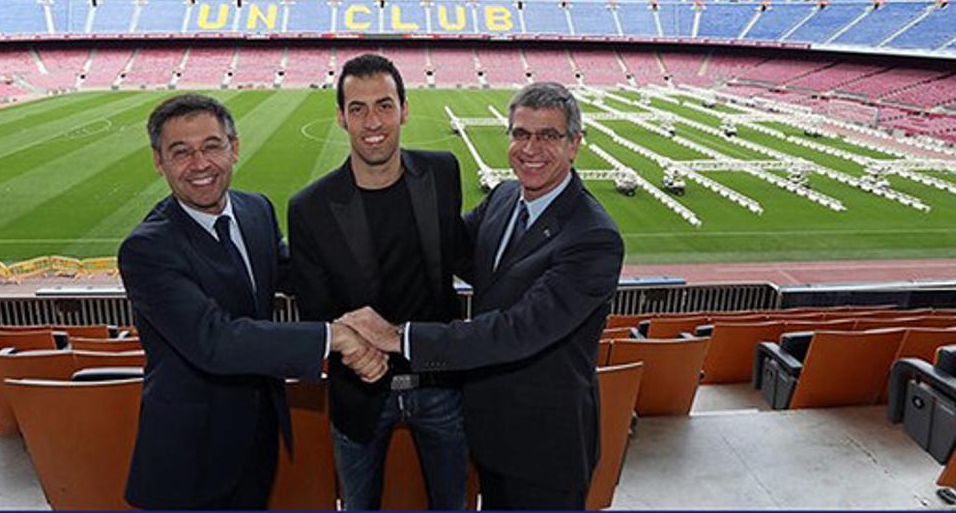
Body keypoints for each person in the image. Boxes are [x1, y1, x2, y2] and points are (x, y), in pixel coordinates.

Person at [342, 81, 624, 510]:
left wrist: (400, 337)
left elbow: (516, 332)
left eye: (548, 136)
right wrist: (336, 239)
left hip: (546, 447)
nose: (530, 148)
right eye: (520, 134)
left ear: (574, 145)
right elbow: (444, 245)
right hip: (492, 433)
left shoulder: (593, 237)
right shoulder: (506, 196)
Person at [117, 93, 387, 510]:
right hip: (189, 459)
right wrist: (336, 337)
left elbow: (296, 275)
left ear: (234, 147)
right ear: (159, 161)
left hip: (258, 439)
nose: (200, 164)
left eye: (211, 146)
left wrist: (370, 303)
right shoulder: (147, 249)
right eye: (181, 152)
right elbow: (216, 340)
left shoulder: (254, 210)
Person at [287, 54, 470, 509]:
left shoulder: (442, 172)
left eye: (385, 105)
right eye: (358, 108)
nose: (373, 121)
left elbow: (464, 254)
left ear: (405, 110)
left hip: (440, 383)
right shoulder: (310, 207)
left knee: (453, 504)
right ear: (340, 117)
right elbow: (314, 310)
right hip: (360, 391)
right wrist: (359, 350)